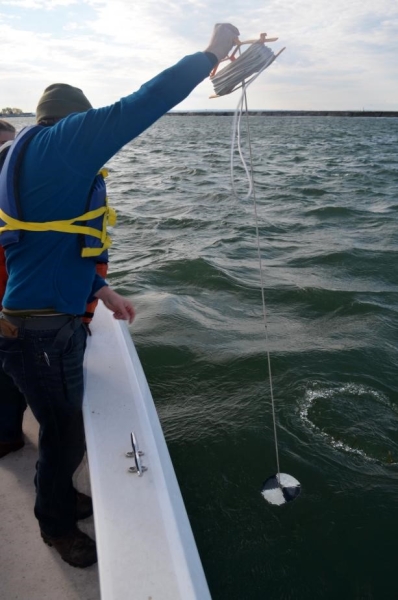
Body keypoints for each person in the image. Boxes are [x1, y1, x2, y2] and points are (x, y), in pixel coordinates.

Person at [0, 23, 240, 569]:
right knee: (64, 435)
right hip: (39, 333)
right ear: (72, 123)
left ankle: (59, 497)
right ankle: (55, 524)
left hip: (31, 321)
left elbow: (49, 243)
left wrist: (101, 289)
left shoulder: (28, 156)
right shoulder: (65, 144)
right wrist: (210, 54)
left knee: (64, 428)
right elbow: (145, 102)